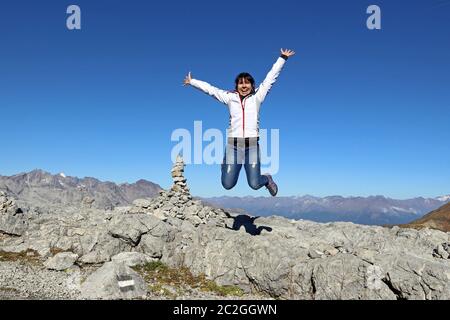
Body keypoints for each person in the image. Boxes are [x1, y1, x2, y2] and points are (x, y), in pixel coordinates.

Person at [183, 48, 295, 196]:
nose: (244, 86)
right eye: (241, 83)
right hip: (233, 147)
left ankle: (267, 179)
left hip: (252, 147)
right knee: (227, 184)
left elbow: (270, 78)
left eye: (247, 83)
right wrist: (192, 82)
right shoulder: (230, 98)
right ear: (236, 86)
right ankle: (226, 164)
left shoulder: (257, 98)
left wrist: (282, 58)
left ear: (252, 85)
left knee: (255, 184)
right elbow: (211, 90)